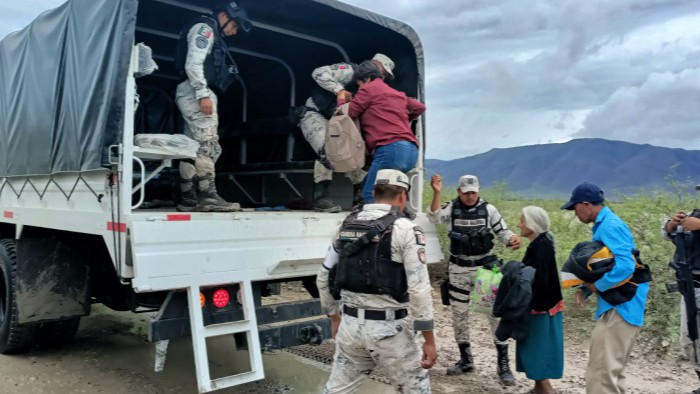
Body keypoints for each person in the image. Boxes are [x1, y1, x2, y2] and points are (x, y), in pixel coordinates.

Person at [316, 169, 436, 393]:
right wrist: (429, 339)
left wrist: (334, 317)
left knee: (337, 390)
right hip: (391, 331)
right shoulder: (406, 230)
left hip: (350, 328)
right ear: (403, 195)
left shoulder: (346, 225)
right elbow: (419, 290)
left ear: (373, 192)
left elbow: (323, 275)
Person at [428, 173, 521, 385]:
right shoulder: (451, 208)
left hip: (485, 269)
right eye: (466, 192)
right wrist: (436, 192)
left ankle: (503, 365)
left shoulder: (489, 210)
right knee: (459, 315)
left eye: (474, 192)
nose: (470, 196)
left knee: (494, 315)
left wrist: (512, 240)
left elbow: (502, 231)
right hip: (458, 269)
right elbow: (434, 217)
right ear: (459, 191)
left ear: (478, 191)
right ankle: (466, 360)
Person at [561, 182, 649, 394]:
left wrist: (596, 286)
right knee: (611, 374)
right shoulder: (606, 224)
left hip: (620, 306)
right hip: (621, 304)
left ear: (586, 204)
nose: (575, 213)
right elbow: (608, 263)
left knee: (601, 375)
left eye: (575, 208)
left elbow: (626, 266)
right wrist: (587, 288)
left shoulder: (610, 225)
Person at [174, 2, 251, 212]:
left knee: (191, 145)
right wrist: (202, 93)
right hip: (195, 91)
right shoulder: (205, 28)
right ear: (224, 15)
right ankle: (208, 195)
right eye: (234, 26)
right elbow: (193, 63)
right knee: (207, 142)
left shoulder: (206, 28)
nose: (233, 32)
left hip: (188, 91)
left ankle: (188, 196)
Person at [299, 54, 396, 212]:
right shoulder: (351, 71)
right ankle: (320, 198)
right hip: (316, 113)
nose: (383, 77)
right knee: (328, 149)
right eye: (383, 72)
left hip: (340, 121)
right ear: (375, 64)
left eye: (385, 76)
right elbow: (318, 72)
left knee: (358, 152)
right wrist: (340, 90)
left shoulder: (373, 89)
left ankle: (360, 199)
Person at [348, 61, 426, 205]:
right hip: (411, 152)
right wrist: (402, 120)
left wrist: (341, 101)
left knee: (370, 195)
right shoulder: (397, 93)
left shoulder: (369, 89)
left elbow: (351, 112)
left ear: (367, 79)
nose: (359, 88)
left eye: (359, 84)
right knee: (391, 195)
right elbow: (419, 107)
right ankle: (403, 215)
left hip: (390, 150)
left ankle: (375, 225)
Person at [516, 206, 564, 394]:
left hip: (541, 307)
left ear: (532, 224)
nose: (519, 225)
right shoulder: (543, 243)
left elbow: (540, 280)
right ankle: (538, 388)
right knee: (540, 348)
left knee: (537, 349)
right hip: (547, 304)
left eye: (522, 220)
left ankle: (544, 389)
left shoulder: (540, 247)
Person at [662, 209, 700, 393]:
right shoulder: (696, 214)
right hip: (689, 286)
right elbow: (670, 236)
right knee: (689, 339)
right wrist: (672, 225)